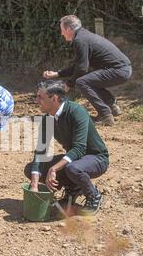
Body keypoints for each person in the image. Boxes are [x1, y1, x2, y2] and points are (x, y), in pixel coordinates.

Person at [24, 80, 109, 215]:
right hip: (75, 159)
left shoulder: (77, 111)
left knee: (72, 168)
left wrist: (55, 168)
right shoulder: (47, 120)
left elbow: (80, 148)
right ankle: (73, 188)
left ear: (55, 98)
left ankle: (93, 195)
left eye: (40, 97)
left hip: (96, 158)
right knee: (31, 169)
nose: (37, 100)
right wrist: (34, 185)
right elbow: (41, 152)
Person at [43, 15, 132, 126]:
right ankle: (111, 106)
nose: (61, 33)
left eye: (62, 30)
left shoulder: (80, 40)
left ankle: (105, 116)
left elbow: (81, 68)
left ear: (69, 29)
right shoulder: (83, 36)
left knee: (82, 82)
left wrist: (69, 84)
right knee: (87, 80)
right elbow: (79, 65)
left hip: (118, 70)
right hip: (121, 69)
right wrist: (58, 73)